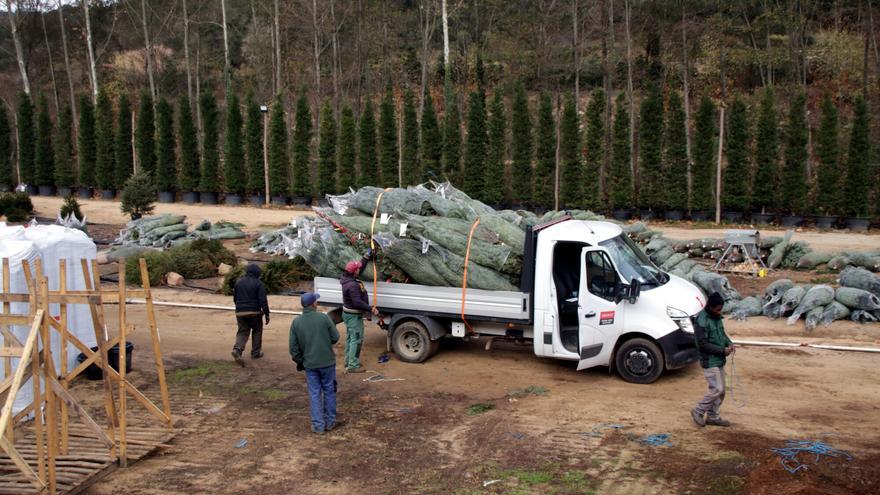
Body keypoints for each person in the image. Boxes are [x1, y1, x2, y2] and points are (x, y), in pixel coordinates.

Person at [289, 292, 341, 434]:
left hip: (310, 365)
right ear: (313, 304)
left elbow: (293, 348)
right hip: (327, 362)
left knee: (314, 393)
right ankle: (330, 422)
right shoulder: (323, 318)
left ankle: (318, 425)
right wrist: (324, 343)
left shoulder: (296, 322)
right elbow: (335, 337)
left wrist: (301, 361)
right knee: (329, 391)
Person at [691, 292, 735, 428]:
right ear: (710, 307)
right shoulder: (701, 321)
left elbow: (721, 334)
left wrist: (729, 343)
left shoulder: (716, 317)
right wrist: (722, 350)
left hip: (719, 359)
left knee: (721, 391)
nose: (719, 311)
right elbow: (703, 344)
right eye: (718, 309)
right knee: (716, 389)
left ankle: (713, 416)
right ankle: (698, 410)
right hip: (709, 360)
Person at [339, 251, 379, 374]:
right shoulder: (352, 286)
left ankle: (349, 362)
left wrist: (366, 256)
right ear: (354, 272)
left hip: (348, 314)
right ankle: (352, 366)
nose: (359, 270)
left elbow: (359, 268)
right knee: (356, 339)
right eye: (357, 269)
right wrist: (371, 309)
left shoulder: (347, 278)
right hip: (353, 316)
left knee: (351, 339)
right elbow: (357, 302)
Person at [232, 263, 270, 366]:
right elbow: (263, 301)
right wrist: (267, 314)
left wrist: (240, 308)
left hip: (240, 312)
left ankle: (237, 350)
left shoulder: (238, 282)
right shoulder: (259, 283)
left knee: (242, 331)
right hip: (255, 312)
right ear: (257, 273)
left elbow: (235, 298)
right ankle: (255, 353)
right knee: (257, 330)